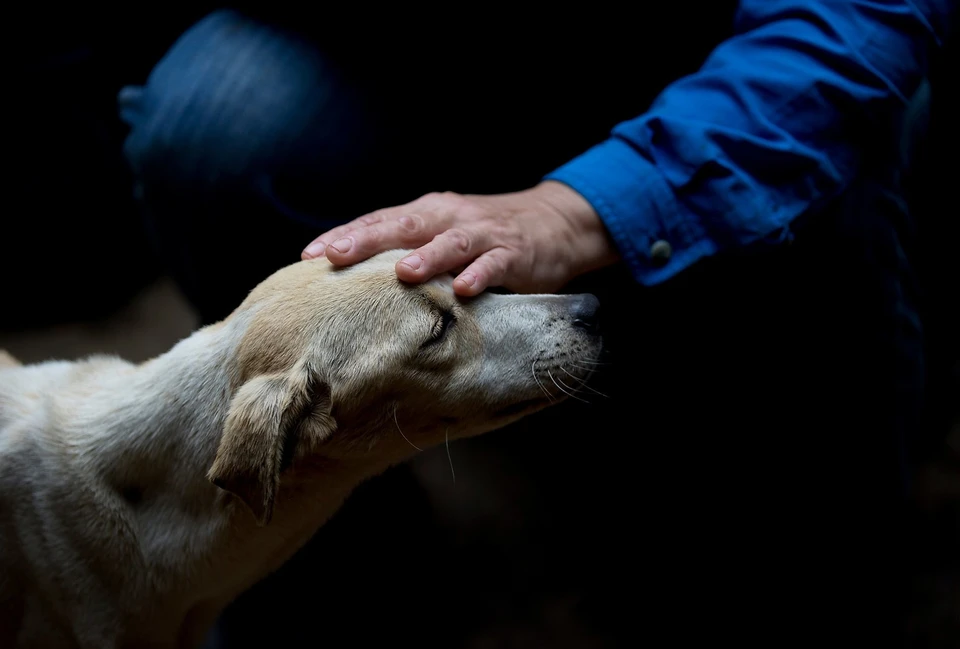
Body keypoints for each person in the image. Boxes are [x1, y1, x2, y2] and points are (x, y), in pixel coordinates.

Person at [117, 2, 957, 646]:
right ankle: (345, 565)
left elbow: (853, 20)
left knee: (815, 180)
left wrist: (577, 208)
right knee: (210, 127)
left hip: (725, 68)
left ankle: (797, 552)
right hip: (444, 55)